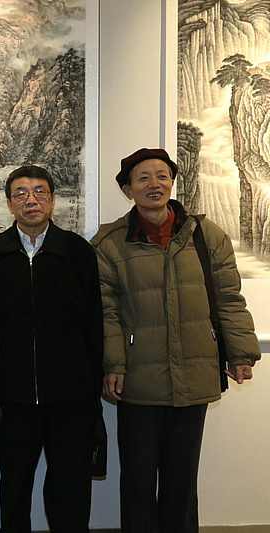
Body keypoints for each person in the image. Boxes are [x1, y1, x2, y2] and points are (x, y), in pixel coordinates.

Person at [91, 148, 260, 533]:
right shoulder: (110, 243)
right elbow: (106, 312)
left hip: (194, 374)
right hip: (138, 380)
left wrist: (240, 352)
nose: (154, 184)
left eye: (162, 176)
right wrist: (114, 364)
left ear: (172, 182)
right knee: (137, 481)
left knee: (181, 482)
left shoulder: (206, 235)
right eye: (143, 178)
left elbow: (229, 298)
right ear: (128, 190)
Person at [0, 165, 103, 533]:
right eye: (20, 193)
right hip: (13, 397)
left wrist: (92, 387)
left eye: (39, 192)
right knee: (14, 489)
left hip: (71, 397)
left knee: (70, 490)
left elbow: (94, 323)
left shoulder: (77, 252)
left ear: (52, 200)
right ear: (9, 204)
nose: (30, 200)